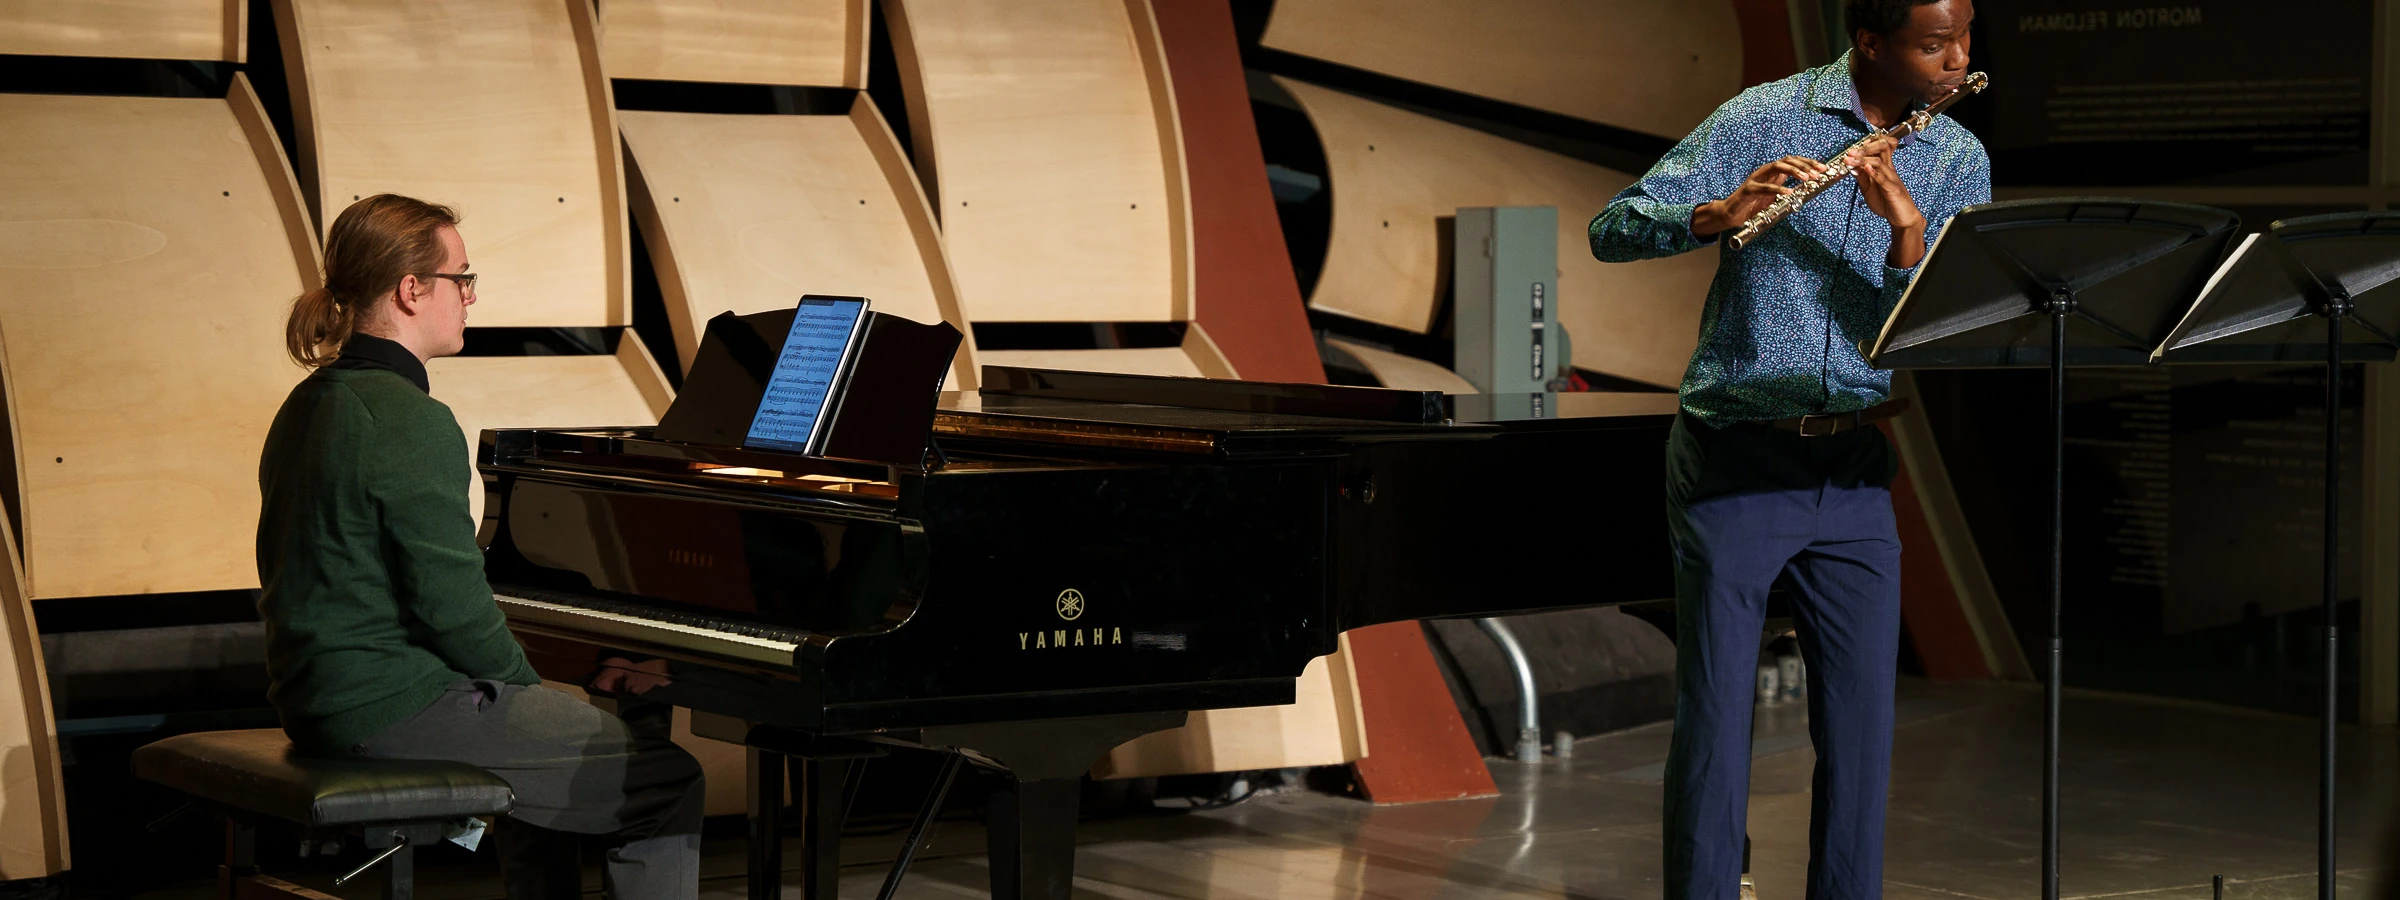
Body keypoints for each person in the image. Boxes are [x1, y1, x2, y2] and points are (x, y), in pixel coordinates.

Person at [1589, 0, 1989, 897]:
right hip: (1736, 454)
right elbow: (1611, 229)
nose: (1957, 60)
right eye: (1934, 44)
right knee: (1717, 721)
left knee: (1860, 726)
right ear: (1871, 43)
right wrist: (1716, 213)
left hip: (1852, 467)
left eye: (1966, 38)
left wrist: (1907, 234)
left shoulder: (1958, 157)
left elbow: (1950, 334)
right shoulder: (1765, 116)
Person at [256, 193, 704, 899]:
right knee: (668, 779)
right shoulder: (411, 419)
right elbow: (451, 608)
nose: (470, 297)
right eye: (462, 278)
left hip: (317, 695)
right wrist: (522, 687)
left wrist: (525, 700)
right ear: (411, 289)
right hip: (386, 707)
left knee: (542, 750)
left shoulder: (310, 402)